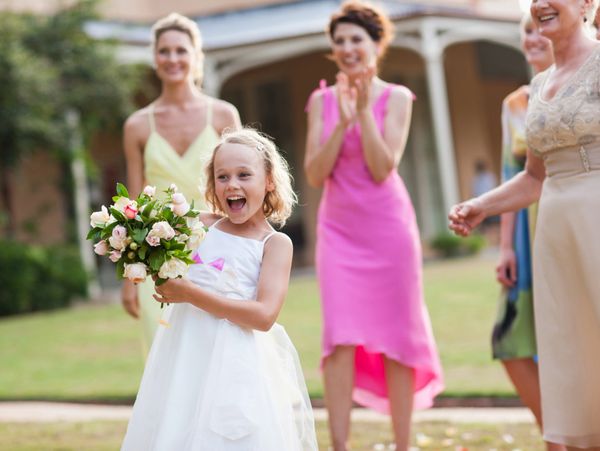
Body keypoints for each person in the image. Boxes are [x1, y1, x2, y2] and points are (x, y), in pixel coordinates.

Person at [449, 0, 600, 448]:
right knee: (573, 353)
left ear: (587, 3)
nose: (540, 4)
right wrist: (482, 205)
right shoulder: (537, 87)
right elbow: (534, 177)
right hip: (555, 236)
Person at [121, 129, 317, 450]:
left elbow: (264, 315)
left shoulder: (274, 244)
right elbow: (148, 238)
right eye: (222, 176)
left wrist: (189, 294)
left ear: (268, 180)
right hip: (185, 351)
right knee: (178, 425)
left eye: (244, 175)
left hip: (236, 359)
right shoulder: (197, 224)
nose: (232, 185)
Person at [304, 1, 443, 449]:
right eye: (339, 41)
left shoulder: (397, 97)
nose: (347, 48)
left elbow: (383, 167)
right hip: (338, 233)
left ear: (376, 44)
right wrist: (341, 118)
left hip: (388, 231)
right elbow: (313, 174)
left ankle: (403, 443)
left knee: (398, 338)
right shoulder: (321, 101)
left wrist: (363, 113)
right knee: (339, 338)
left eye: (355, 40)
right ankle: (340, 445)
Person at [121, 13, 241, 351]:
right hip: (156, 254)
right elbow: (131, 205)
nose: (172, 59)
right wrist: (130, 277)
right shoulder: (137, 125)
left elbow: (242, 188)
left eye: (180, 50)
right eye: (164, 51)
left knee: (217, 351)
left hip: (216, 248)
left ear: (195, 56)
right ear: (155, 57)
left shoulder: (223, 115)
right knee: (163, 349)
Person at [491, 13, 564, 451]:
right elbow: (509, 172)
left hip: (572, 226)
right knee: (511, 339)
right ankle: (555, 436)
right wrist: (504, 248)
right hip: (526, 236)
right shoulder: (515, 103)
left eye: (540, 28)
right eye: (526, 31)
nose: (533, 38)